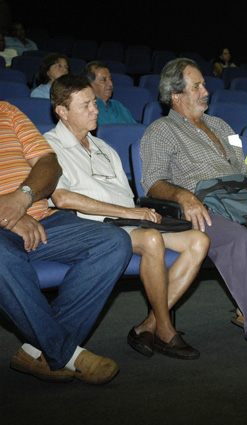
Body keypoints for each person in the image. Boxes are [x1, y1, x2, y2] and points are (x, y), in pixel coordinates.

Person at [140, 58, 247, 357]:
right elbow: (152, 182)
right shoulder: (160, 130)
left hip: (241, 201)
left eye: (204, 84)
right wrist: (183, 196)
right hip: (201, 208)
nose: (206, 90)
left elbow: (242, 167)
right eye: (197, 86)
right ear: (176, 95)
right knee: (239, 242)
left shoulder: (221, 125)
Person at [45, 74, 210, 360]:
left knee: (199, 240)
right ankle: (166, 329)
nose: (95, 110)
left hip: (131, 221)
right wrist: (129, 213)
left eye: (94, 103)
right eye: (85, 106)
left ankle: (148, 325)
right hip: (94, 227)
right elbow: (62, 198)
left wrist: (139, 213)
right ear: (62, 111)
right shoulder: (48, 148)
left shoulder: (105, 149)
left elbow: (126, 196)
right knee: (151, 240)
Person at [0, 100, 132, 384]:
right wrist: (7, 215)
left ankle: (37, 350)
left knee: (114, 242)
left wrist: (22, 199)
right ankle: (67, 354)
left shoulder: (7, 111)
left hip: (43, 219)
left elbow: (48, 163)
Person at [79, 61, 136, 125]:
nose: (110, 84)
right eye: (103, 80)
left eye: (110, 79)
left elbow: (137, 131)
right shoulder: (86, 109)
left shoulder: (118, 106)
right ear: (89, 84)